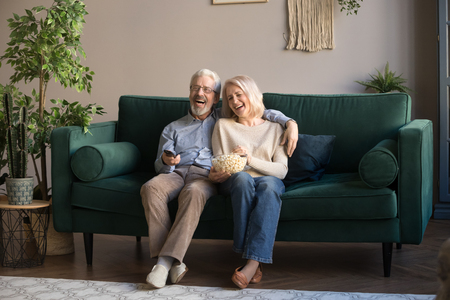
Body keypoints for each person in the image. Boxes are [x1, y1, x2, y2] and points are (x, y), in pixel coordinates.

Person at [141, 69, 297, 289]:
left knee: (196, 192)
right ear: (189, 93)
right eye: (196, 87)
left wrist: (291, 122)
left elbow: (259, 111)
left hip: (205, 176)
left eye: (207, 89)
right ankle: (167, 261)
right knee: (150, 188)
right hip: (176, 173)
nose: (200, 92)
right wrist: (166, 162)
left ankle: (166, 262)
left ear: (215, 98)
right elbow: (158, 163)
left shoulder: (225, 117)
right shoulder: (174, 127)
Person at [211, 75, 288, 289]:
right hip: (235, 181)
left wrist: (250, 159)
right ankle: (253, 260)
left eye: (238, 95)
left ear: (251, 94)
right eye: (229, 98)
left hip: (268, 180)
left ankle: (252, 264)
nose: (234, 101)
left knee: (270, 184)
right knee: (244, 178)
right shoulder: (223, 126)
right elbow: (219, 162)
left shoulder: (275, 128)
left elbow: (281, 170)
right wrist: (220, 171)